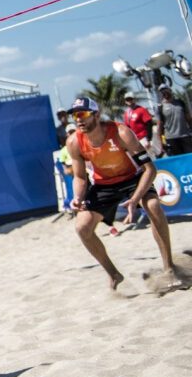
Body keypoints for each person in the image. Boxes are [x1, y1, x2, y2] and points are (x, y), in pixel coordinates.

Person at [66, 97, 176, 290]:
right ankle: (114, 274)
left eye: (82, 114)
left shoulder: (121, 133)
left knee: (153, 206)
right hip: (104, 185)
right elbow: (80, 177)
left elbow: (150, 169)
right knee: (82, 227)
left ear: (96, 115)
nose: (78, 119)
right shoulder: (74, 141)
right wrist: (78, 197)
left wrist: (135, 199)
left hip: (133, 177)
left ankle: (169, 268)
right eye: (75, 115)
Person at [157, 85, 192, 157]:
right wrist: (161, 143)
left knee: (190, 157)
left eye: (166, 90)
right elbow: (160, 126)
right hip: (171, 139)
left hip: (185, 136)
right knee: (178, 160)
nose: (164, 93)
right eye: (162, 92)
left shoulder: (180, 103)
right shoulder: (160, 107)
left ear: (170, 90)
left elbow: (189, 119)